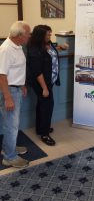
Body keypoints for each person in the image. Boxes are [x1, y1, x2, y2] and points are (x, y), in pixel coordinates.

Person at [26, 25, 68, 146]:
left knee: (43, 104)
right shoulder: (34, 48)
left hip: (49, 80)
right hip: (41, 82)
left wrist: (60, 47)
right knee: (47, 106)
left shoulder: (46, 43)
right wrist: (44, 88)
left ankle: (41, 128)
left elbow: (51, 50)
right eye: (48, 34)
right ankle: (44, 134)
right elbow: (37, 71)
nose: (50, 36)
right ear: (41, 35)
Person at [0, 21, 31, 168]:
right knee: (11, 125)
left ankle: (9, 148)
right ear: (19, 36)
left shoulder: (18, 46)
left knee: (13, 123)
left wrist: (22, 84)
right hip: (9, 91)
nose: (30, 36)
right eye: (28, 34)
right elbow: (1, 76)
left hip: (16, 88)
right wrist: (7, 98)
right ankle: (9, 157)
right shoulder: (6, 49)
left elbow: (18, 69)